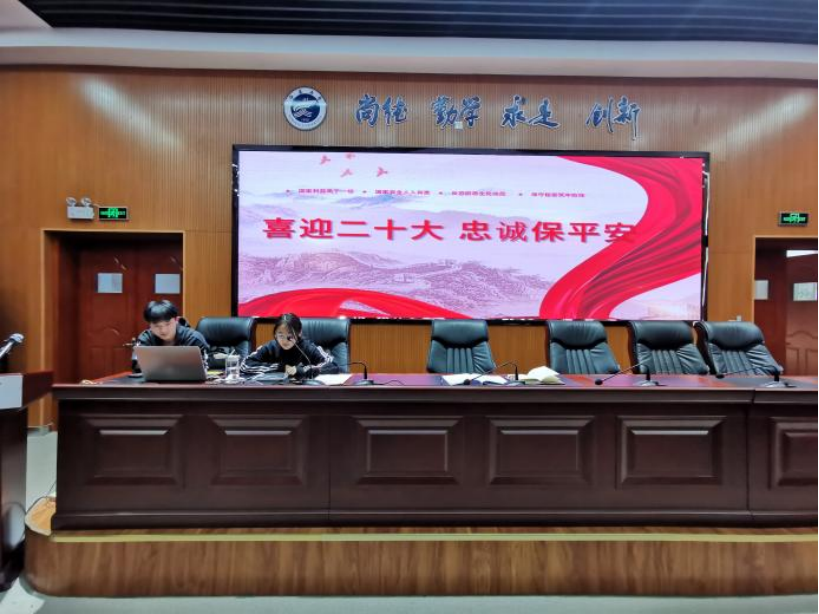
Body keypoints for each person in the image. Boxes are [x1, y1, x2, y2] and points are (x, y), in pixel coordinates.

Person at [242, 313, 339, 378]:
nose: (284, 341)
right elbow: (245, 365)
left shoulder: (307, 347)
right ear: (275, 335)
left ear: (299, 333)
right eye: (280, 335)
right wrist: (281, 367)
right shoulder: (271, 347)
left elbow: (332, 366)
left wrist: (308, 370)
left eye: (289, 336)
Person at [133, 300, 210, 372]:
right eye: (157, 326)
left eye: (168, 324)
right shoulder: (145, 338)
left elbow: (206, 368)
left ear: (176, 320)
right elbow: (137, 368)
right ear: (149, 325)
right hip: (155, 380)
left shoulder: (194, 338)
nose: (163, 330)